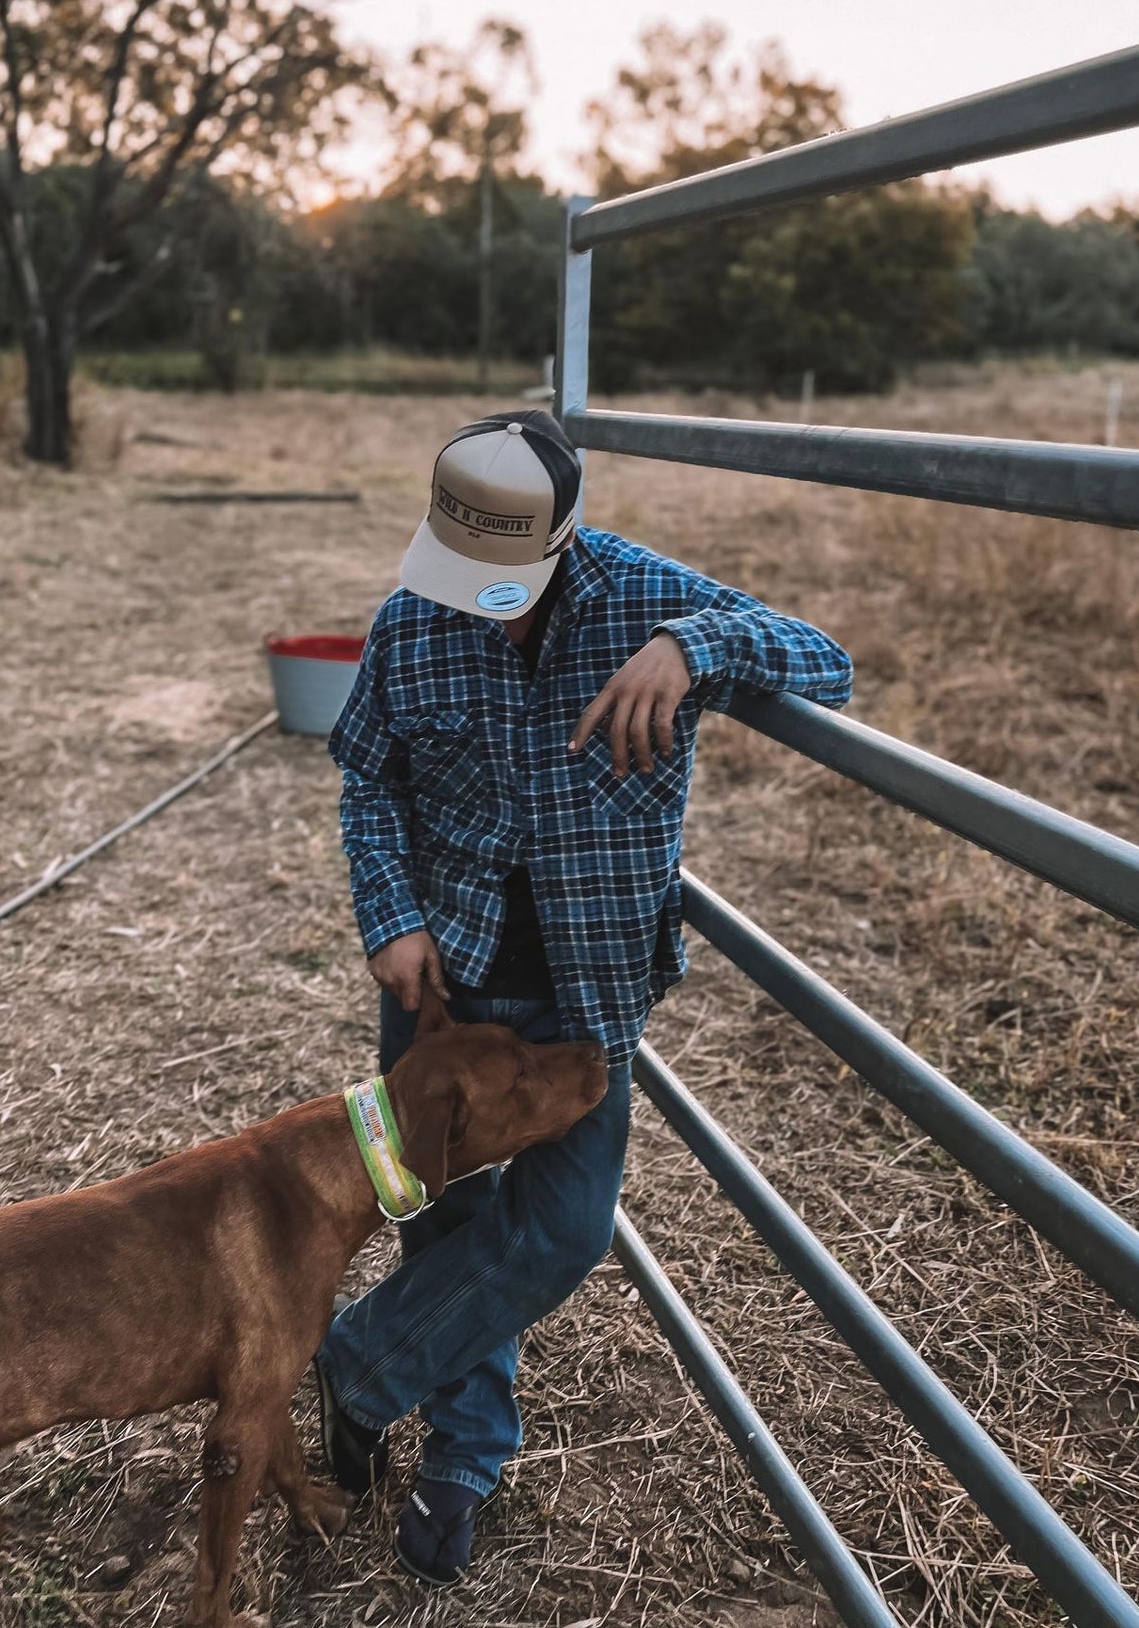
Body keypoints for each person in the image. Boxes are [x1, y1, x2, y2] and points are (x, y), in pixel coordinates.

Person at [315, 409, 852, 1584]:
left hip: (586, 994)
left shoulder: (640, 597)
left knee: (559, 1231)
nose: (462, 594)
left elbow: (828, 660)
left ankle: (352, 1372)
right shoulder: (410, 621)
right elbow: (367, 777)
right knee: (437, 1217)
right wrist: (388, 914)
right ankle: (463, 1457)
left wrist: (693, 649)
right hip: (441, 989)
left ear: (561, 538)